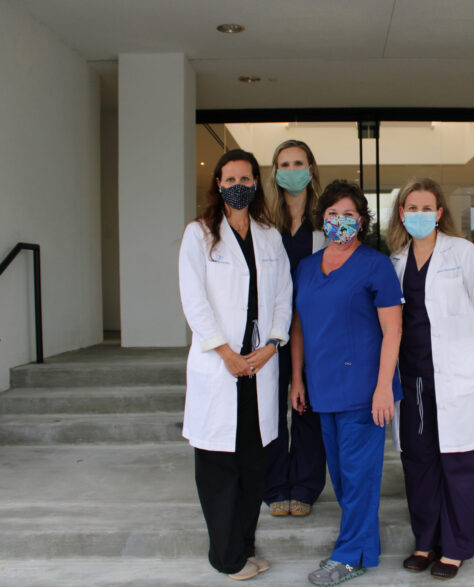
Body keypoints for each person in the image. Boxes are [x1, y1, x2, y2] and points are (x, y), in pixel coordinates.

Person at [178, 149, 292, 581]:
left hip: (259, 367)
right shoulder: (199, 234)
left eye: (245, 177)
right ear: (218, 185)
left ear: (257, 183)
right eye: (229, 179)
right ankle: (226, 558)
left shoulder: (269, 235)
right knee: (218, 468)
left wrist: (272, 345)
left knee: (252, 466)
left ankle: (244, 546)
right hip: (220, 367)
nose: (237, 185)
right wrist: (224, 353)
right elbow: (194, 300)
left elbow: (284, 295)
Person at [387, 177, 474, 580]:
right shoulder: (395, 260)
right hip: (414, 377)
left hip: (456, 377)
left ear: (439, 213)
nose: (419, 215)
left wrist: (466, 351)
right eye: (411, 208)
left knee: (460, 462)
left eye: (426, 208)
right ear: (402, 213)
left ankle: (455, 546)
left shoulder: (463, 253)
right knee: (418, 462)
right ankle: (426, 541)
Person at [290, 179, 403, 586]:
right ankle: (363, 550)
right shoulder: (306, 267)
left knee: (359, 477)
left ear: (362, 220)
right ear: (323, 218)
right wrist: (297, 379)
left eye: (349, 214)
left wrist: (383, 387)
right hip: (323, 387)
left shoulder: (376, 265)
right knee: (342, 477)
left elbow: (393, 330)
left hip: (364, 390)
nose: (340, 221)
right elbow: (298, 326)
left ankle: (348, 556)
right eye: (333, 214)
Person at [264, 139, 327, 518]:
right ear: (274, 172)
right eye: (284, 164)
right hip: (273, 332)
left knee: (308, 408)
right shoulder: (264, 225)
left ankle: (304, 486)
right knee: (270, 409)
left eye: (298, 163)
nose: (291, 170)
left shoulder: (324, 225)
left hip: (314, 332)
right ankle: (274, 487)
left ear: (311, 169)